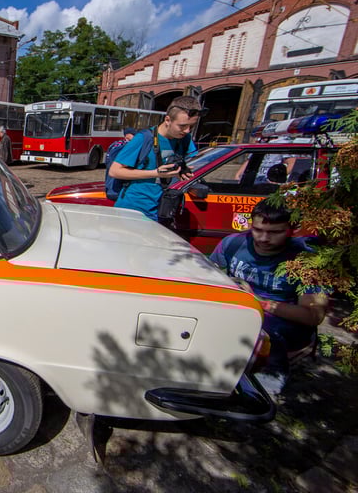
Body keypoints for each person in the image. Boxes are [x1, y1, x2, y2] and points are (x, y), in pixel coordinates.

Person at [209, 200, 329, 396]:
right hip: (238, 310)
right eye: (257, 229)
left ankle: (267, 385)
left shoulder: (306, 260)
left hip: (280, 324)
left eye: (275, 232)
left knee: (262, 328)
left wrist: (256, 301)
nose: (263, 238)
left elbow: (313, 315)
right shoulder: (232, 243)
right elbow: (208, 277)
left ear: (293, 229)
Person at [108, 96, 201, 221]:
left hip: (163, 208)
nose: (187, 131)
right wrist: (156, 173)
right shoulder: (144, 138)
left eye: (192, 126)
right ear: (167, 120)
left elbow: (196, 163)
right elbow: (115, 171)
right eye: (182, 126)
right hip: (134, 209)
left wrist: (184, 170)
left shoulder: (185, 139)